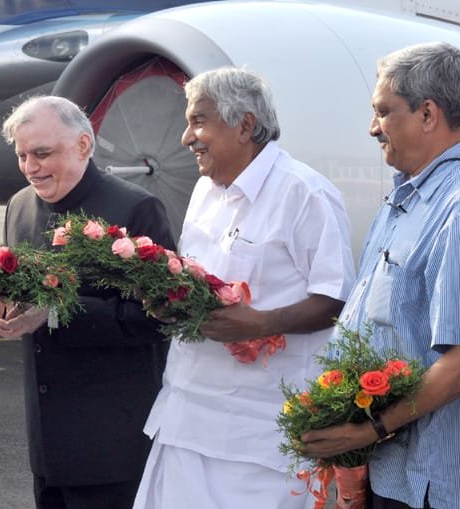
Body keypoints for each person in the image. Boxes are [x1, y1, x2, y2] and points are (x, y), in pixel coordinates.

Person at [133, 67, 355, 509]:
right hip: (186, 416)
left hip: (259, 434)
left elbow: (338, 300)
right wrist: (169, 301)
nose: (186, 138)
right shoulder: (205, 190)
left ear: (245, 125)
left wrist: (260, 323)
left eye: (198, 122)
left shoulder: (304, 192)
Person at [300, 42, 460, 509]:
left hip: (426, 481)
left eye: (383, 112)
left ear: (428, 114)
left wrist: (367, 428)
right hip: (389, 470)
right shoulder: (410, 195)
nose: (373, 128)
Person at [0, 95, 175, 509]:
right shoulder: (19, 206)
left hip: (109, 445)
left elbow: (158, 318)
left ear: (83, 145)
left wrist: (55, 311)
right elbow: (21, 292)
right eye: (22, 156)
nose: (30, 167)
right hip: (46, 446)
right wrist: (4, 305)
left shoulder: (135, 208)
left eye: (42, 154)